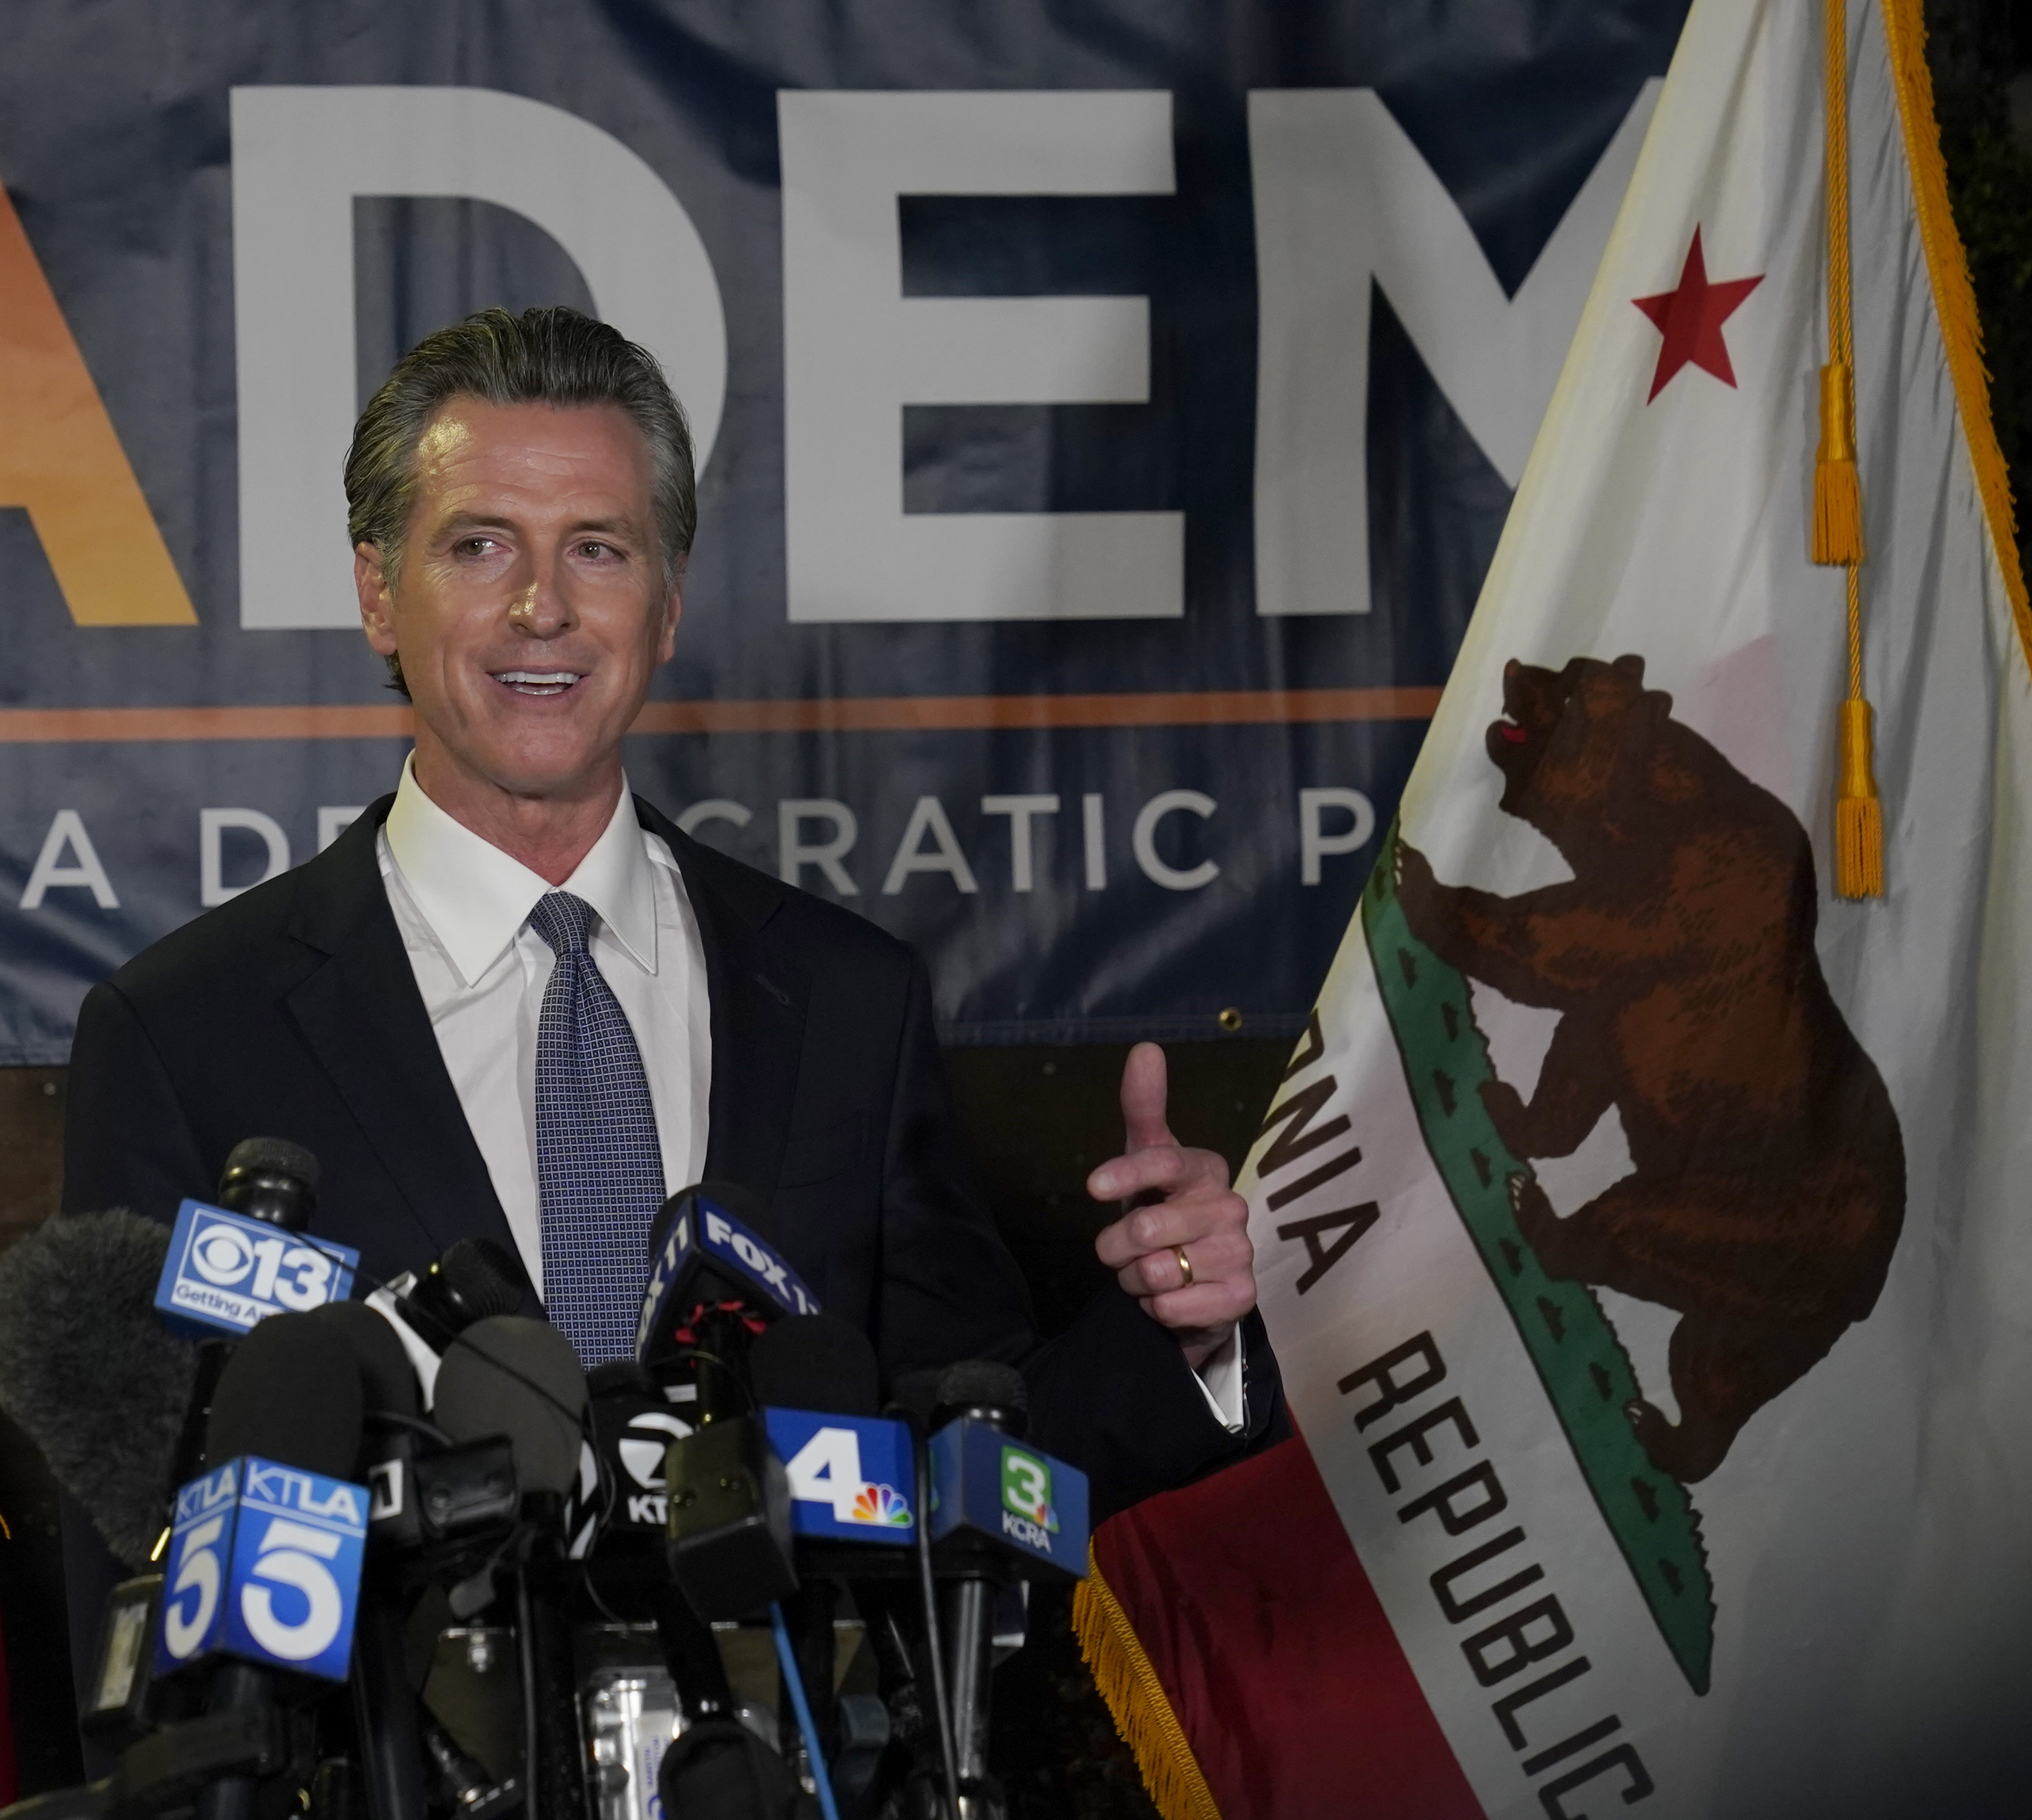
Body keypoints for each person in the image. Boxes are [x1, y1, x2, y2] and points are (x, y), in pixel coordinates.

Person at [61, 304, 1279, 1553]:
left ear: (667, 604)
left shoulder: (848, 1000)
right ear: (377, 591)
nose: (542, 607)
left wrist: (1175, 1334)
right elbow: (132, 1543)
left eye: (597, 549)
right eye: (479, 545)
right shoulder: (184, 1035)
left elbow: (968, 1468)